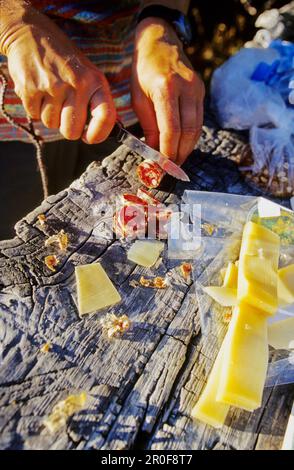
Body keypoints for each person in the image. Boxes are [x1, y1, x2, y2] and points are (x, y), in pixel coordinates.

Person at [0, 1, 204, 238]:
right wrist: (13, 28)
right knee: (17, 240)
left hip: (132, 103)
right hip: (12, 130)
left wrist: (160, 21)